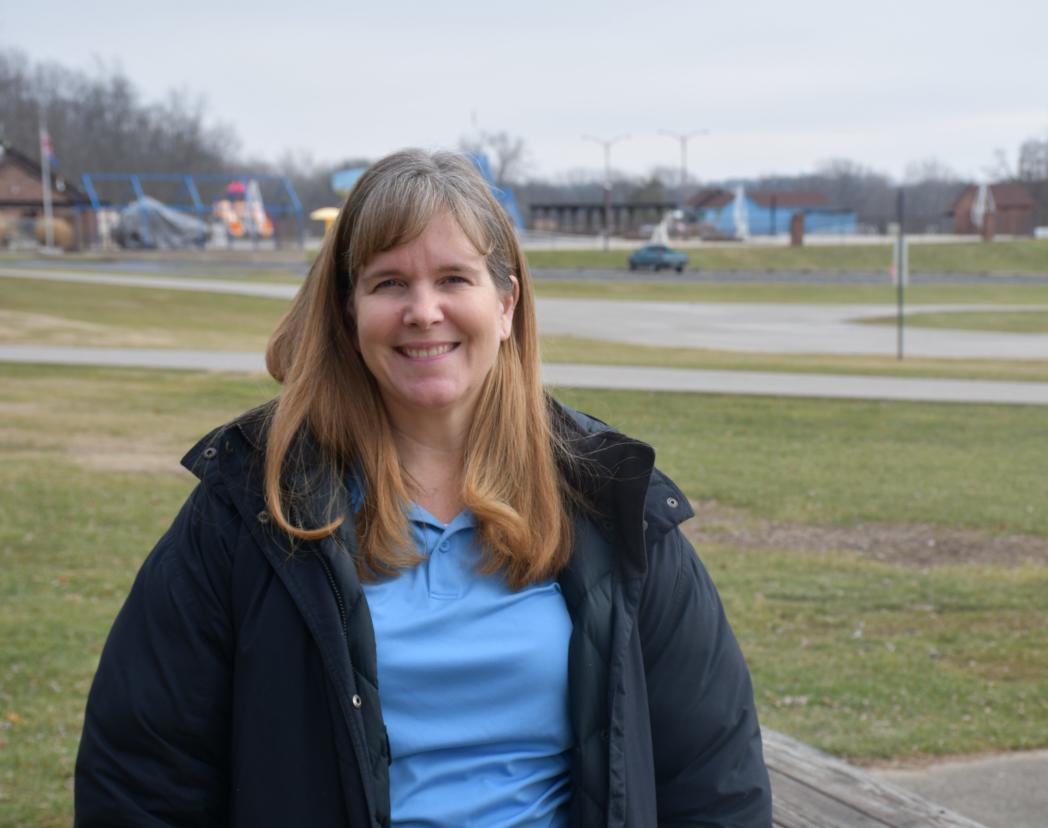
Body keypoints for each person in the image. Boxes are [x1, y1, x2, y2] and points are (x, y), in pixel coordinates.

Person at [74, 149, 771, 827]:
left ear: (505, 305)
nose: (423, 310)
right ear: (349, 313)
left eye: (454, 279)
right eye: (388, 284)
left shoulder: (607, 499)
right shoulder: (253, 506)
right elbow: (141, 778)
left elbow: (713, 779)